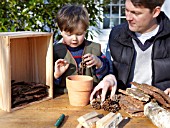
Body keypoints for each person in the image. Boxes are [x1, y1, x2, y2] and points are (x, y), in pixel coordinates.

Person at [90, 0, 170, 102]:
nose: (128, 17)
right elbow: (109, 66)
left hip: (162, 107)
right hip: (122, 103)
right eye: (126, 10)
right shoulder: (116, 34)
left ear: (155, 12)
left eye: (135, 13)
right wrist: (109, 77)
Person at [53, 4, 110, 94]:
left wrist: (99, 63)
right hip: (63, 97)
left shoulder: (94, 49)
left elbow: (107, 75)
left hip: (90, 95)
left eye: (79, 34)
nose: (74, 38)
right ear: (61, 31)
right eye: (69, 35)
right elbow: (47, 84)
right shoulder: (55, 52)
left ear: (85, 31)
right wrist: (56, 75)